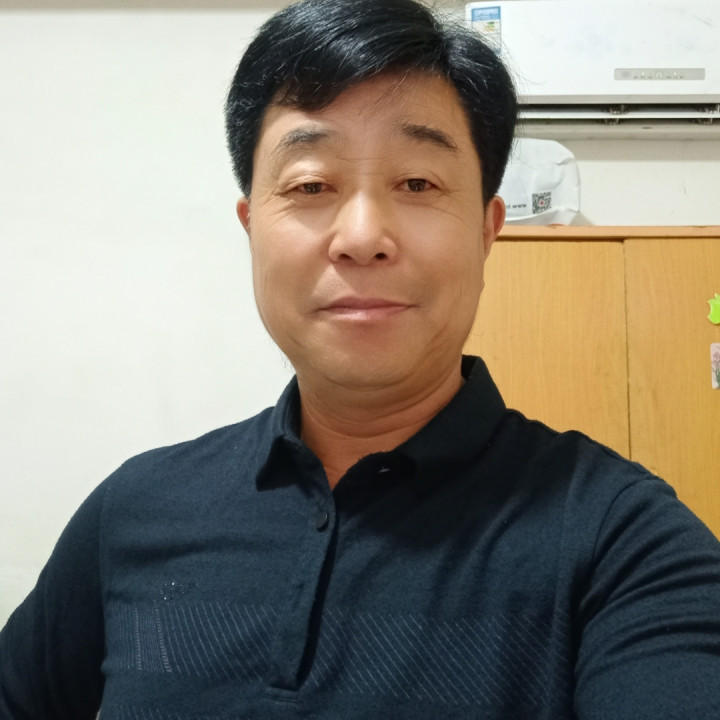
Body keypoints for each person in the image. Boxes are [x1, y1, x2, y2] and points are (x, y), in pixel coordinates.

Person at [2, 0, 720, 717]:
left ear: (486, 230)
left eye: (418, 183)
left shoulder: (625, 544)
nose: (362, 236)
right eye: (311, 186)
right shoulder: (136, 510)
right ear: (251, 227)